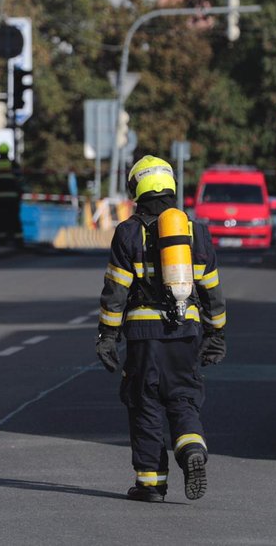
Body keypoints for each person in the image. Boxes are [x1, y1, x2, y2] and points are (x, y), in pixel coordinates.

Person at [95, 155, 227, 503]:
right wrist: (216, 335)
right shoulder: (195, 232)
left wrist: (108, 337)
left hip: (143, 337)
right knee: (183, 397)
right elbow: (211, 289)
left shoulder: (127, 232)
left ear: (137, 187)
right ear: (170, 186)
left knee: (146, 402)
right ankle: (192, 449)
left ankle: (151, 483)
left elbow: (116, 291)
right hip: (186, 332)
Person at [0, 143, 23, 245]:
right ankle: (18, 239)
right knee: (14, 218)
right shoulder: (13, 164)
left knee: (1, 219)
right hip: (12, 197)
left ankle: (2, 239)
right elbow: (20, 177)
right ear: (7, 152)